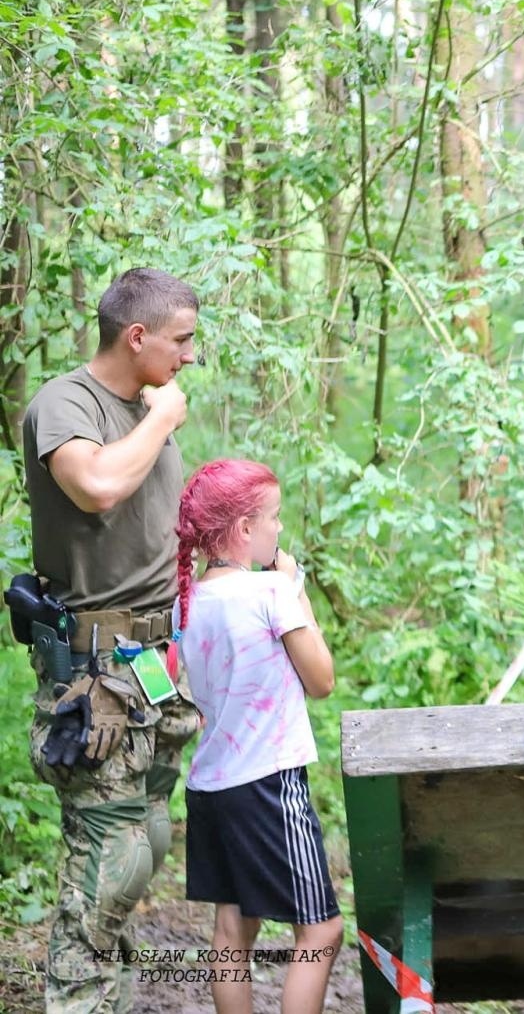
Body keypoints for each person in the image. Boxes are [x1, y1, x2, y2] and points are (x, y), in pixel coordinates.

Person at [17, 267, 203, 1012]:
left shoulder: (149, 405)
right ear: (137, 336)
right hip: (96, 678)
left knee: (145, 843)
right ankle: (78, 997)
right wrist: (162, 420)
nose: (190, 355)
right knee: (105, 872)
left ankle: (106, 994)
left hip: (158, 670)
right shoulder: (66, 404)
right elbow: (95, 486)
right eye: (181, 340)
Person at [173, 459, 343, 1014]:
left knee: (231, 931)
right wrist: (299, 594)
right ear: (244, 529)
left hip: (211, 787)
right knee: (320, 932)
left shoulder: (186, 601)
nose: (279, 530)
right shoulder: (272, 590)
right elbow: (321, 680)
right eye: (274, 518)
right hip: (269, 785)